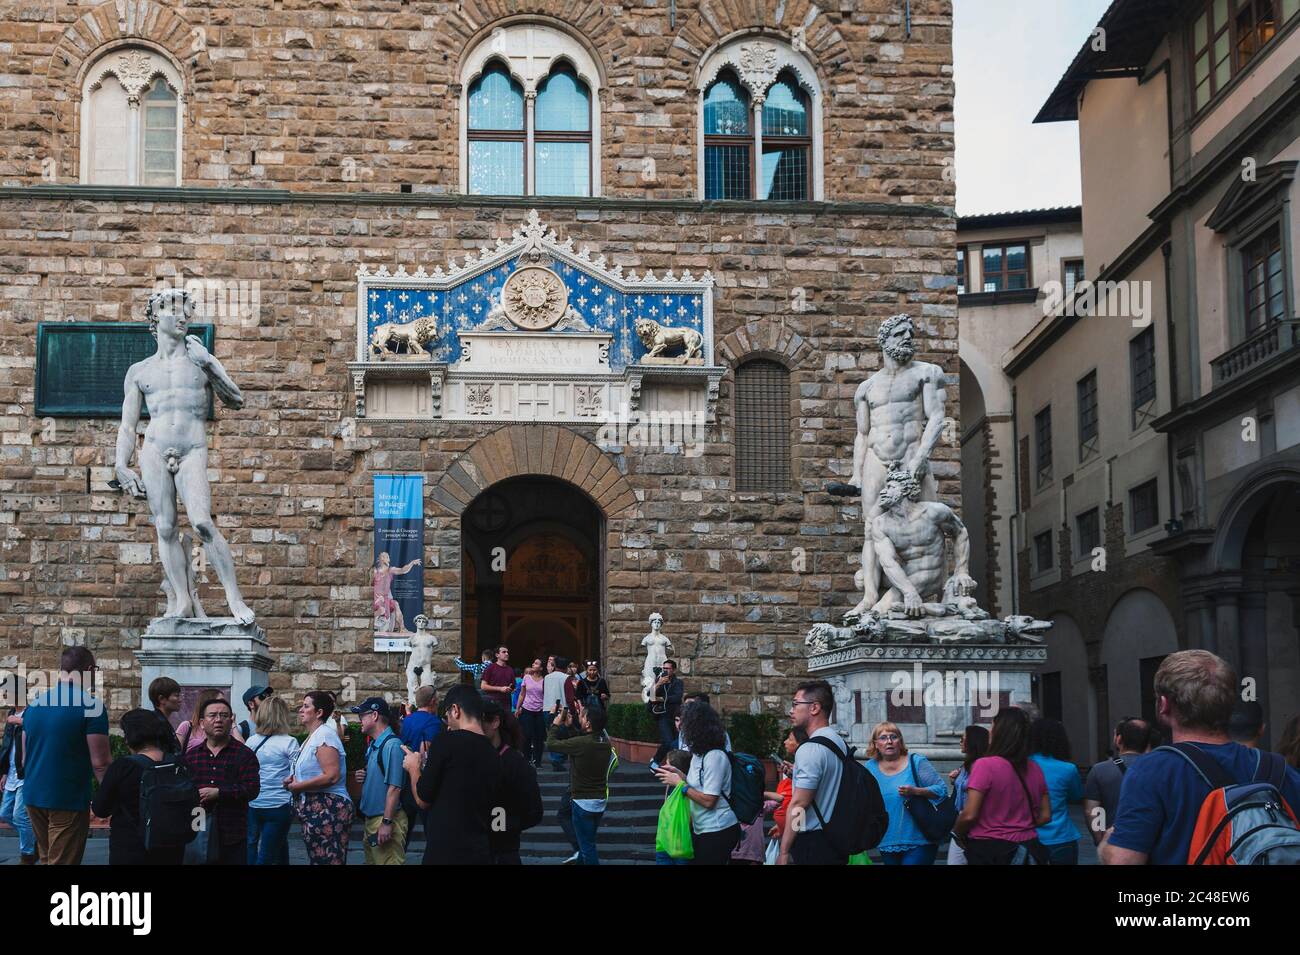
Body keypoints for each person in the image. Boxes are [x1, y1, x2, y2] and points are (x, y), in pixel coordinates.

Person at [1102, 650, 1300, 865]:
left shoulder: (1152, 771)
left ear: (1163, 704)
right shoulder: (1280, 769)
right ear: (1229, 704)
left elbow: (1124, 861)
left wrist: (1106, 844)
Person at [21, 646, 111, 865]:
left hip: (33, 796)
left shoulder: (34, 706)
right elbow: (100, 764)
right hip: (66, 798)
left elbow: (24, 759)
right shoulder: (91, 706)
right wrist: (112, 800)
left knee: (46, 858)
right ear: (89, 670)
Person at [402, 684, 503, 866]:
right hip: (480, 849)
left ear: (455, 710)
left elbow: (423, 799)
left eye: (447, 714)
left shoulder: (445, 742)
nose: (447, 720)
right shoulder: (494, 753)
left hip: (445, 850)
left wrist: (413, 767)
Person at [952, 707, 1051, 865]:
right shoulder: (1035, 768)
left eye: (992, 726)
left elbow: (970, 814)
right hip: (1028, 846)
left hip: (990, 849)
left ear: (1000, 731)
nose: (989, 731)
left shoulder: (984, 765)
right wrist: (1019, 827)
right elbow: (1046, 815)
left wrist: (956, 833)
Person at [91, 708, 188, 865]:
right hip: (172, 848)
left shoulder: (123, 767)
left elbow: (100, 808)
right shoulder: (179, 764)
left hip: (130, 848)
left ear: (129, 737)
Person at [656, 701, 739, 865]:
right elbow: (698, 785)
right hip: (702, 829)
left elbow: (709, 800)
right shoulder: (698, 754)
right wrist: (678, 774)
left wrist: (681, 784)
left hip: (718, 829)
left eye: (685, 723)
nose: (680, 728)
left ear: (697, 726)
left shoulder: (715, 756)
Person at [180, 696, 260, 864]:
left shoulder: (244, 754)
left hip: (232, 827)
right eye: (213, 715)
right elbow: (182, 788)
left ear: (231, 721)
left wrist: (220, 793)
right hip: (198, 819)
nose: (218, 720)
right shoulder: (191, 756)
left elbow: (252, 788)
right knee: (197, 858)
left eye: (224, 715)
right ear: (202, 722)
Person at [778, 680, 849, 865]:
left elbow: (799, 804)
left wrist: (784, 851)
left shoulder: (809, 749)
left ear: (814, 707)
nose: (791, 710)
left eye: (796, 704)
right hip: (836, 835)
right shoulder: (836, 740)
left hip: (814, 841)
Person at [864, 721, 946, 865]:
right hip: (887, 840)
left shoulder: (916, 762)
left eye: (893, 737)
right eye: (883, 738)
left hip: (920, 839)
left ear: (900, 742)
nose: (889, 741)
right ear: (876, 744)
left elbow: (941, 790)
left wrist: (916, 791)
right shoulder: (870, 767)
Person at [286, 690, 353, 865]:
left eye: (306, 706)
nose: (301, 709)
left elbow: (332, 776)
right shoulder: (313, 736)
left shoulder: (324, 735)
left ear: (319, 712)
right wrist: (293, 780)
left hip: (328, 808)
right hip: (316, 809)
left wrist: (298, 787)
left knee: (328, 860)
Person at [548, 698, 615, 865]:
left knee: (587, 847)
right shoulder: (605, 743)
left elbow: (551, 744)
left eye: (583, 717)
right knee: (588, 842)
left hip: (583, 802)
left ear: (588, 723)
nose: (581, 718)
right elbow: (581, 746)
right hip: (599, 800)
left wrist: (555, 724)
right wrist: (571, 727)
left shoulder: (583, 744)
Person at [482, 700, 544, 864]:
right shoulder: (472, 757)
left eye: (477, 721)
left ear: (495, 722)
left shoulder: (514, 762)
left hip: (502, 851)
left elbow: (534, 811)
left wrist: (503, 825)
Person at [351, 697, 408, 865]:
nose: (359, 720)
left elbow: (394, 788)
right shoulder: (377, 744)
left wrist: (386, 822)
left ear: (374, 715)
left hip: (384, 819)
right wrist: (365, 774)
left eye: (362, 715)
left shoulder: (392, 745)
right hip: (374, 820)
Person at [244, 695, 299, 865]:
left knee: (263, 847)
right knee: (267, 855)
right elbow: (296, 775)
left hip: (254, 804)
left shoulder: (251, 741)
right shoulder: (289, 742)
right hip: (279, 805)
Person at [1083, 717, 1151, 844]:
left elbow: (1091, 811)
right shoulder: (1159, 768)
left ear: (1118, 739)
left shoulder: (1099, 770)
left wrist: (1100, 840)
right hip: (1150, 840)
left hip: (1114, 840)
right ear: (1147, 743)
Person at [1029, 718, 1083, 865]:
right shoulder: (1068, 769)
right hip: (1061, 835)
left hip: (1029, 836)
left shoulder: (1022, 765)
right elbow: (1076, 795)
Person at [0, 672, 35, 864]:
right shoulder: (10, 713)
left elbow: (39, 729)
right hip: (12, 772)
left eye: (7, 692)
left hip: (26, 772)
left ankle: (28, 854)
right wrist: (4, 772)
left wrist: (21, 722)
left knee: (19, 815)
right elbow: (7, 745)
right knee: (4, 813)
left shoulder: (31, 713)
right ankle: (36, 837)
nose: (4, 695)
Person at [945, 724, 989, 865]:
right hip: (961, 822)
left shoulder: (983, 766)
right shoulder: (965, 765)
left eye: (963, 739)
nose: (960, 742)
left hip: (977, 823)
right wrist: (954, 781)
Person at [765, 726, 807, 847]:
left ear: (799, 743)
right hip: (790, 828)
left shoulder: (804, 766)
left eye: (789, 739)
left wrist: (789, 834)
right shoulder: (796, 766)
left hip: (797, 830)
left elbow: (799, 803)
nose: (785, 742)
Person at [655, 749, 695, 865]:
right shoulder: (669, 786)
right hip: (664, 842)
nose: (664, 768)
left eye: (667, 765)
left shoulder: (687, 788)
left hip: (680, 844)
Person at [176, 688, 245, 751]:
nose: (223, 705)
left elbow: (242, 749)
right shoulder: (187, 726)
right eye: (220, 701)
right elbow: (176, 753)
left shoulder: (223, 728)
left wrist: (232, 723)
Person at [649, 658, 684, 765]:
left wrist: (662, 699)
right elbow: (650, 696)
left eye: (667, 668)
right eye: (663, 668)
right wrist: (658, 684)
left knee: (676, 741)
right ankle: (655, 761)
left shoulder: (678, 682)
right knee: (668, 741)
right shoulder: (659, 681)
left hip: (674, 715)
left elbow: (677, 697)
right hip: (662, 715)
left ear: (673, 670)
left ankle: (674, 763)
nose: (665, 670)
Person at [515, 660, 547, 769]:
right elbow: (522, 694)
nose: (533, 664)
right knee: (527, 735)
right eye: (533, 663)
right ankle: (527, 759)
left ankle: (538, 761)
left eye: (537, 663)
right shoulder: (526, 678)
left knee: (539, 737)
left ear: (541, 668)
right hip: (527, 709)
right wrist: (518, 708)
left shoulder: (544, 680)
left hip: (540, 710)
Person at [400, 684, 443, 754]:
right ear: (433, 701)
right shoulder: (433, 722)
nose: (438, 703)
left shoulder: (406, 720)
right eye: (438, 700)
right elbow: (426, 752)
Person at [147, 676, 182, 756]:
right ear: (162, 699)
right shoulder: (156, 724)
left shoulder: (162, 721)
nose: (180, 700)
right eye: (176, 696)